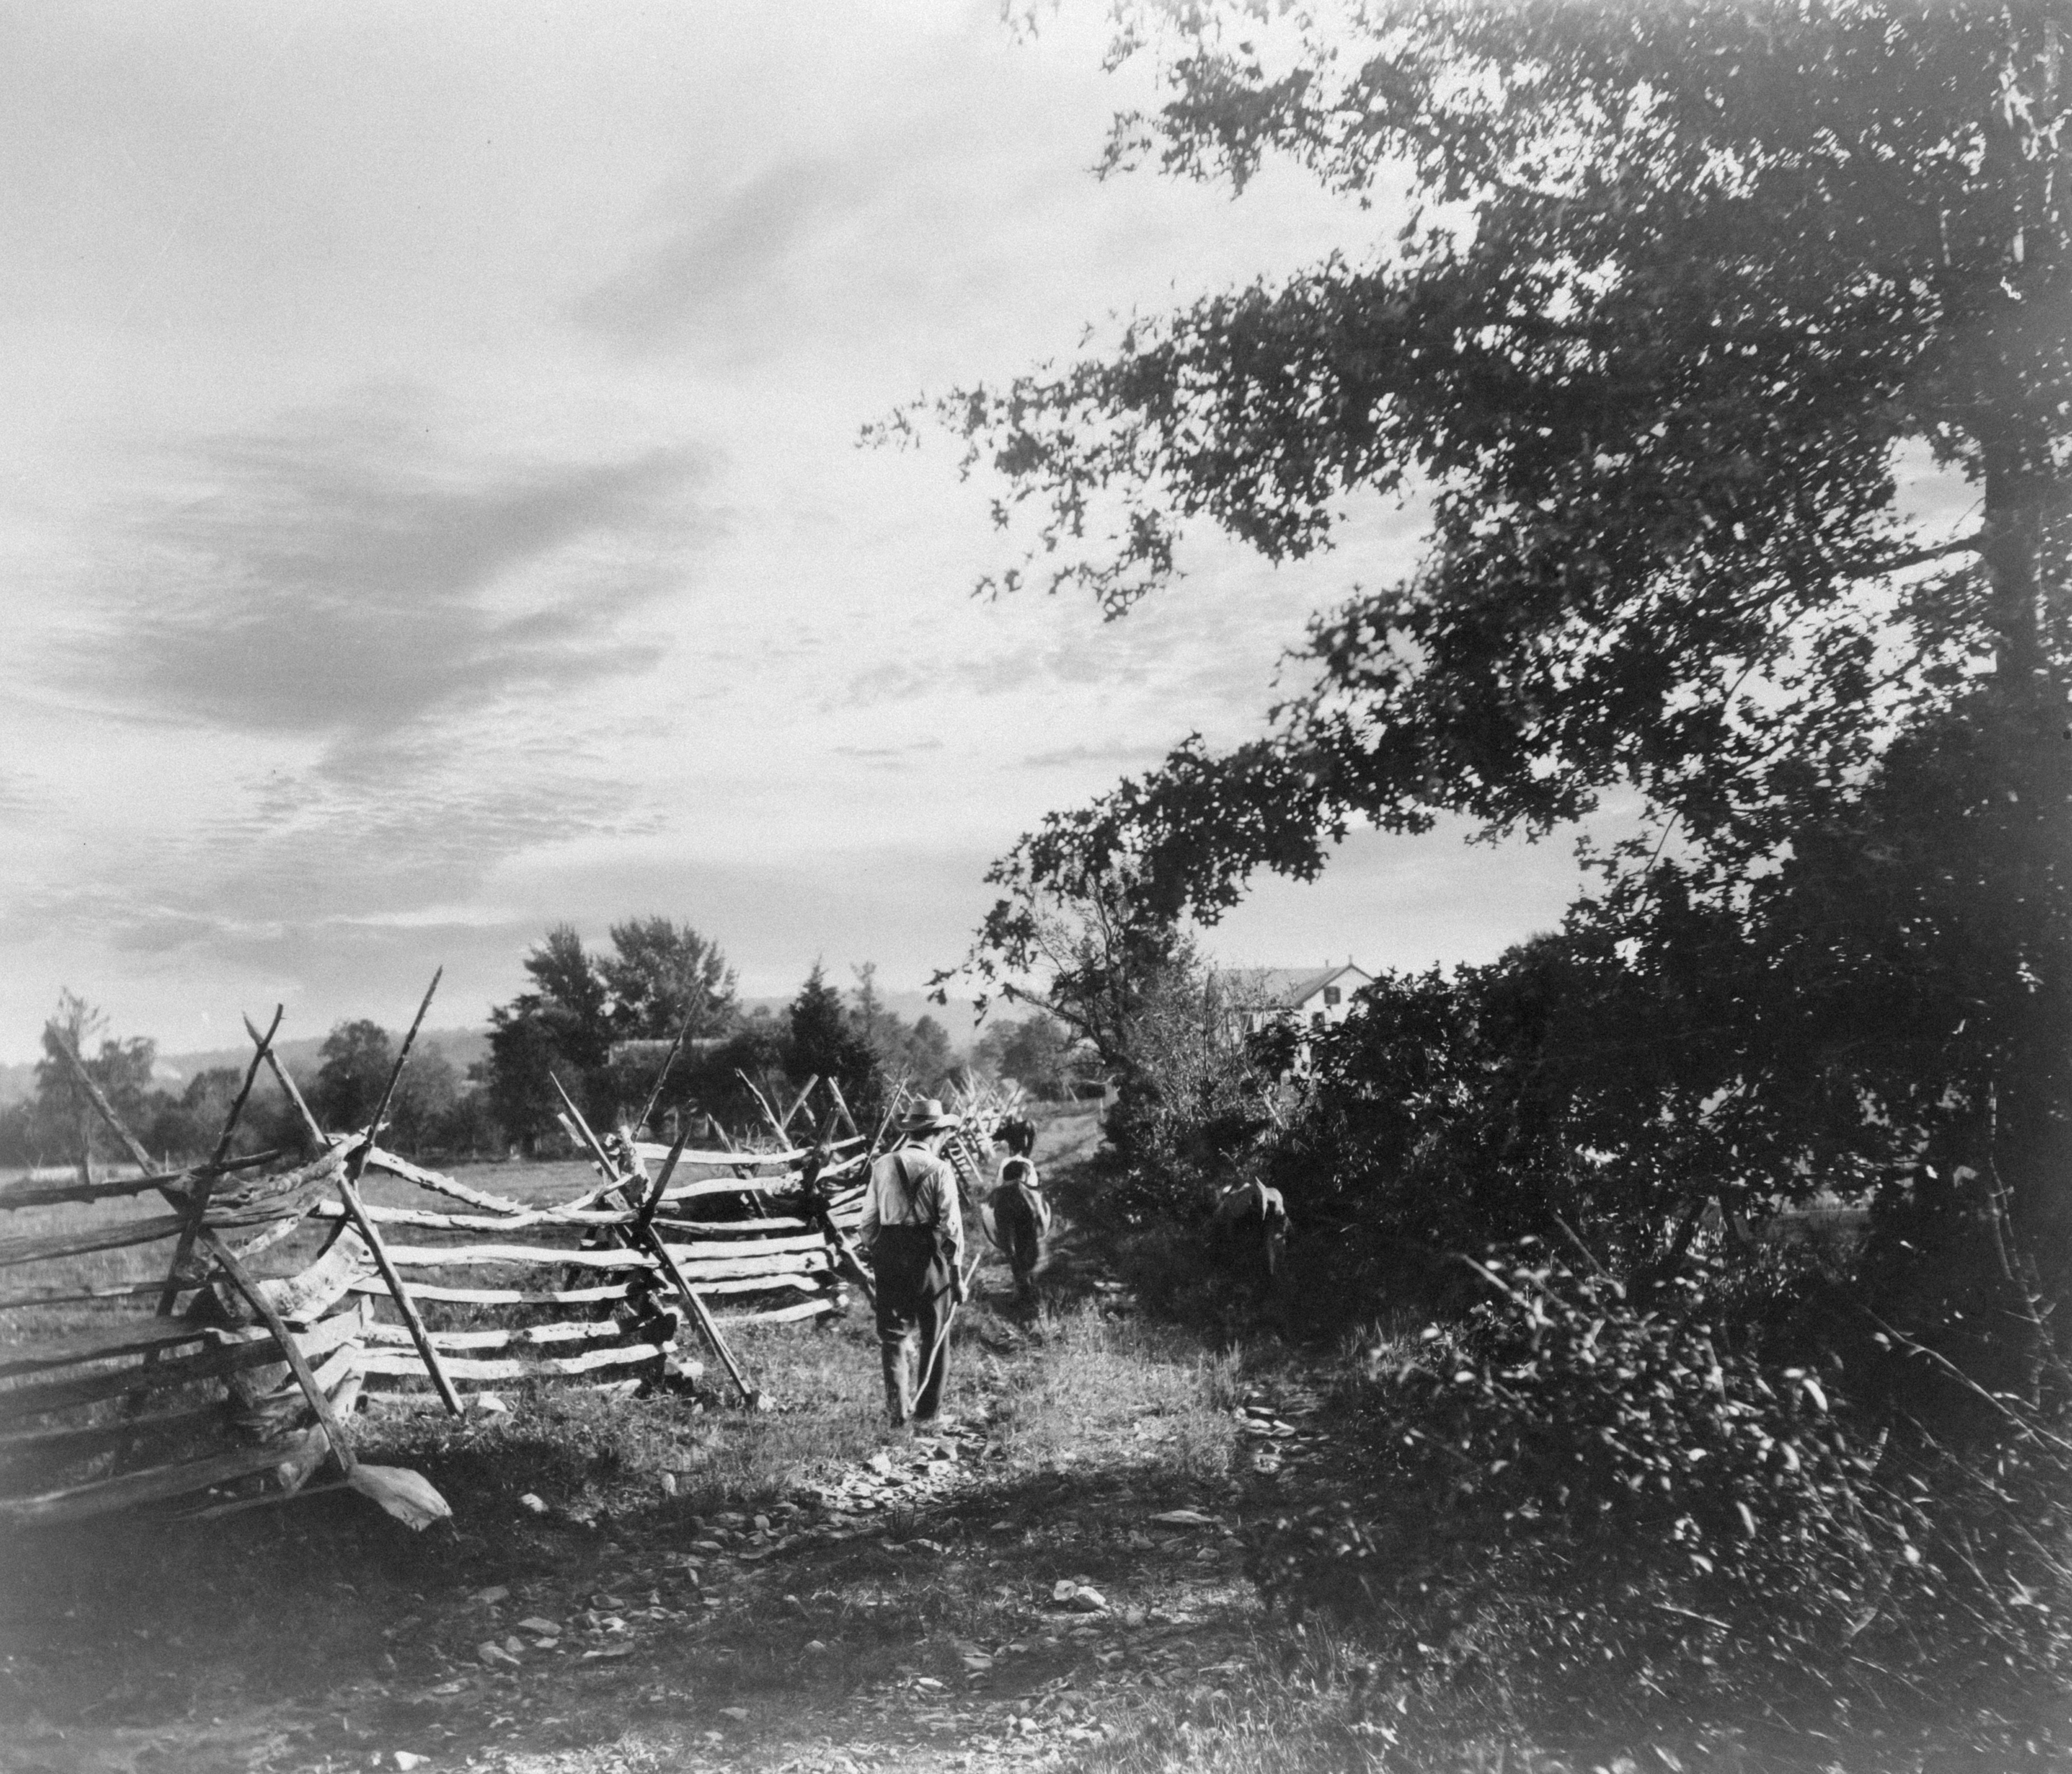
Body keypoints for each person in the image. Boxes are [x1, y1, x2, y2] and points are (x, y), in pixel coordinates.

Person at [858, 1097, 967, 1429]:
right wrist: (958, 1274)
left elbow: (867, 1223)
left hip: (889, 1250)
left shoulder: (882, 1165)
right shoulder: (939, 1169)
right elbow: (952, 1227)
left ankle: (897, 1413)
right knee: (935, 1332)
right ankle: (927, 1414)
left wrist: (880, 1251)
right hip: (928, 1253)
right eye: (945, 1133)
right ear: (936, 1133)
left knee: (892, 1335)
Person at [990, 1155, 1050, 1304]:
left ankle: (1024, 1288)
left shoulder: (1001, 1195)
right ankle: (1029, 1287)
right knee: (1027, 1249)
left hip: (1013, 1226)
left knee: (1014, 1251)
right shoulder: (1032, 1194)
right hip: (1026, 1227)